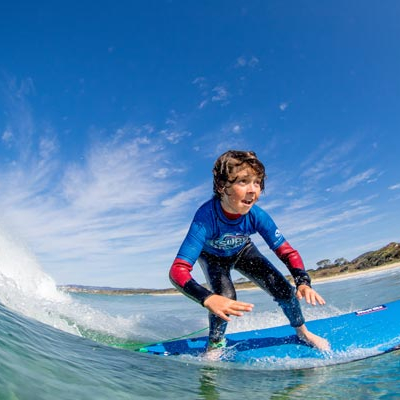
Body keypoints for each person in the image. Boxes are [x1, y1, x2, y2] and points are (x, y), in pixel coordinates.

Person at [169, 150, 330, 355]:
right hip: (212, 257)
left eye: (257, 182)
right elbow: (178, 270)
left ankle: (303, 332)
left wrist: (303, 281)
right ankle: (215, 345)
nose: (253, 190)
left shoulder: (257, 215)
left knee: (285, 290)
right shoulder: (205, 218)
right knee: (225, 297)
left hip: (243, 251)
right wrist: (207, 298)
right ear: (221, 186)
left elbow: (287, 252)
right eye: (243, 181)